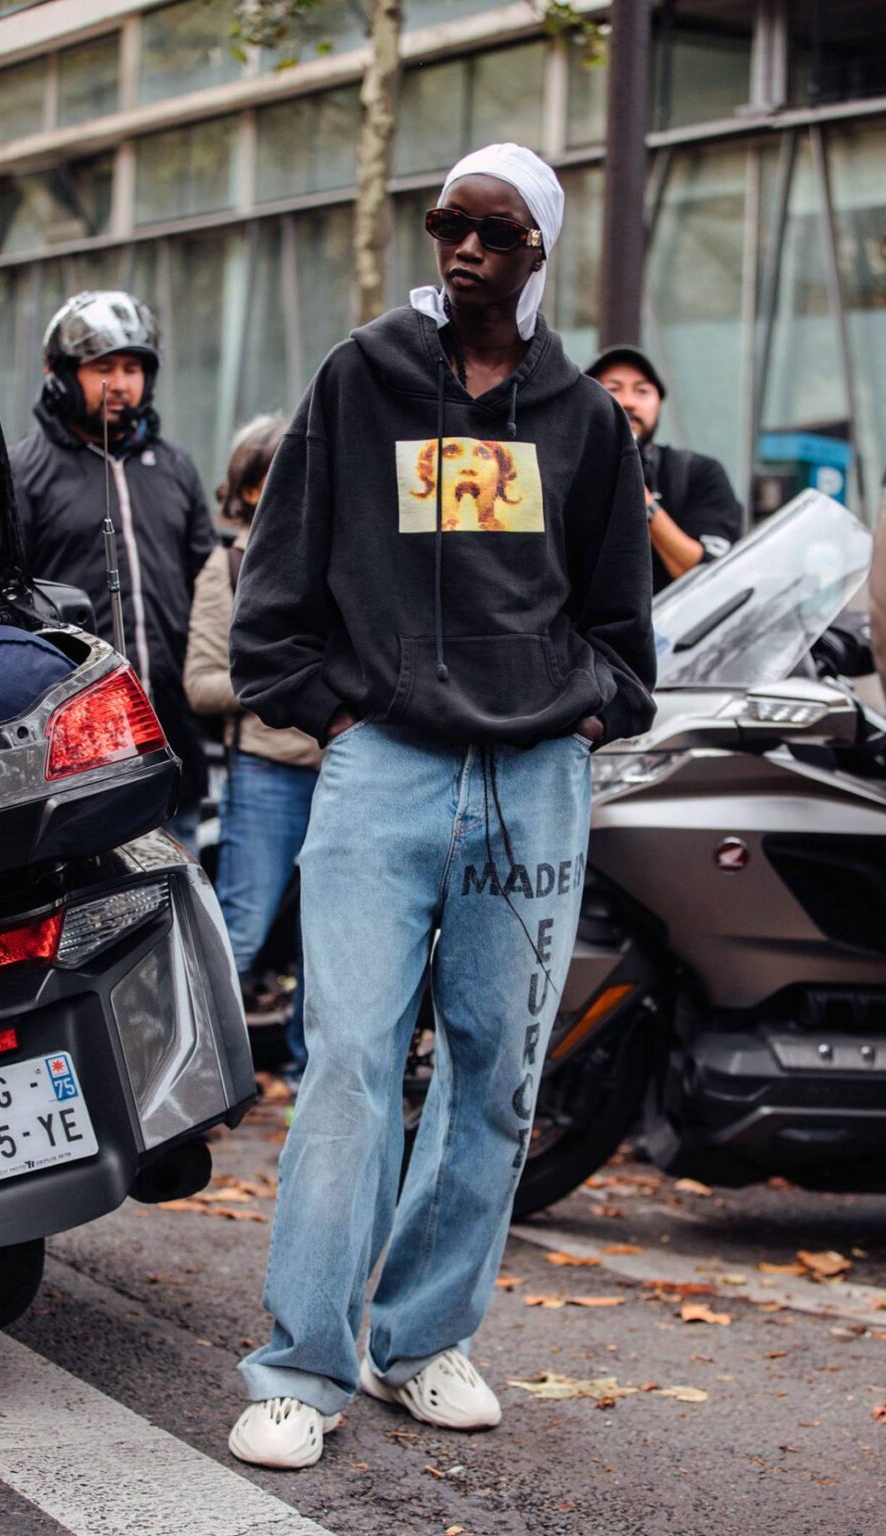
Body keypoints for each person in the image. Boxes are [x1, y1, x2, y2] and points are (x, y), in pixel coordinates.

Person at [227, 142, 656, 1470]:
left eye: (496, 233)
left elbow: (623, 638)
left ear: (539, 254)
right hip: (383, 768)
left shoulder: (583, 420)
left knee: (495, 1079)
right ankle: (301, 1368)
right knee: (348, 1062)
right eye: (447, 227)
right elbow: (277, 592)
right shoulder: (361, 381)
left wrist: (584, 710)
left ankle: (421, 1340)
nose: (465, 252)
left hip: (535, 783)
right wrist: (339, 711)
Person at [8, 291, 216, 853]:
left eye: (132, 368)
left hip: (176, 742)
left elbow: (209, 587)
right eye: (103, 368)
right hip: (74, 762)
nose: (121, 384)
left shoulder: (174, 467)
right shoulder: (23, 473)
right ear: (59, 374)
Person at [184, 414, 322, 1082]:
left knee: (330, 942)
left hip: (348, 772)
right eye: (268, 480)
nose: (283, 492)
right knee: (239, 932)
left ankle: (307, 1075)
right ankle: (202, 1082)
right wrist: (291, 676)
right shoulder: (229, 565)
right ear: (242, 489)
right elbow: (202, 684)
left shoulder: (339, 549)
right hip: (268, 775)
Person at [586, 344, 742, 594]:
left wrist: (639, 495)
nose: (627, 402)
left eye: (642, 391)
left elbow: (708, 576)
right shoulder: (560, 470)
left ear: (659, 404)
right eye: (612, 389)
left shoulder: (697, 474)